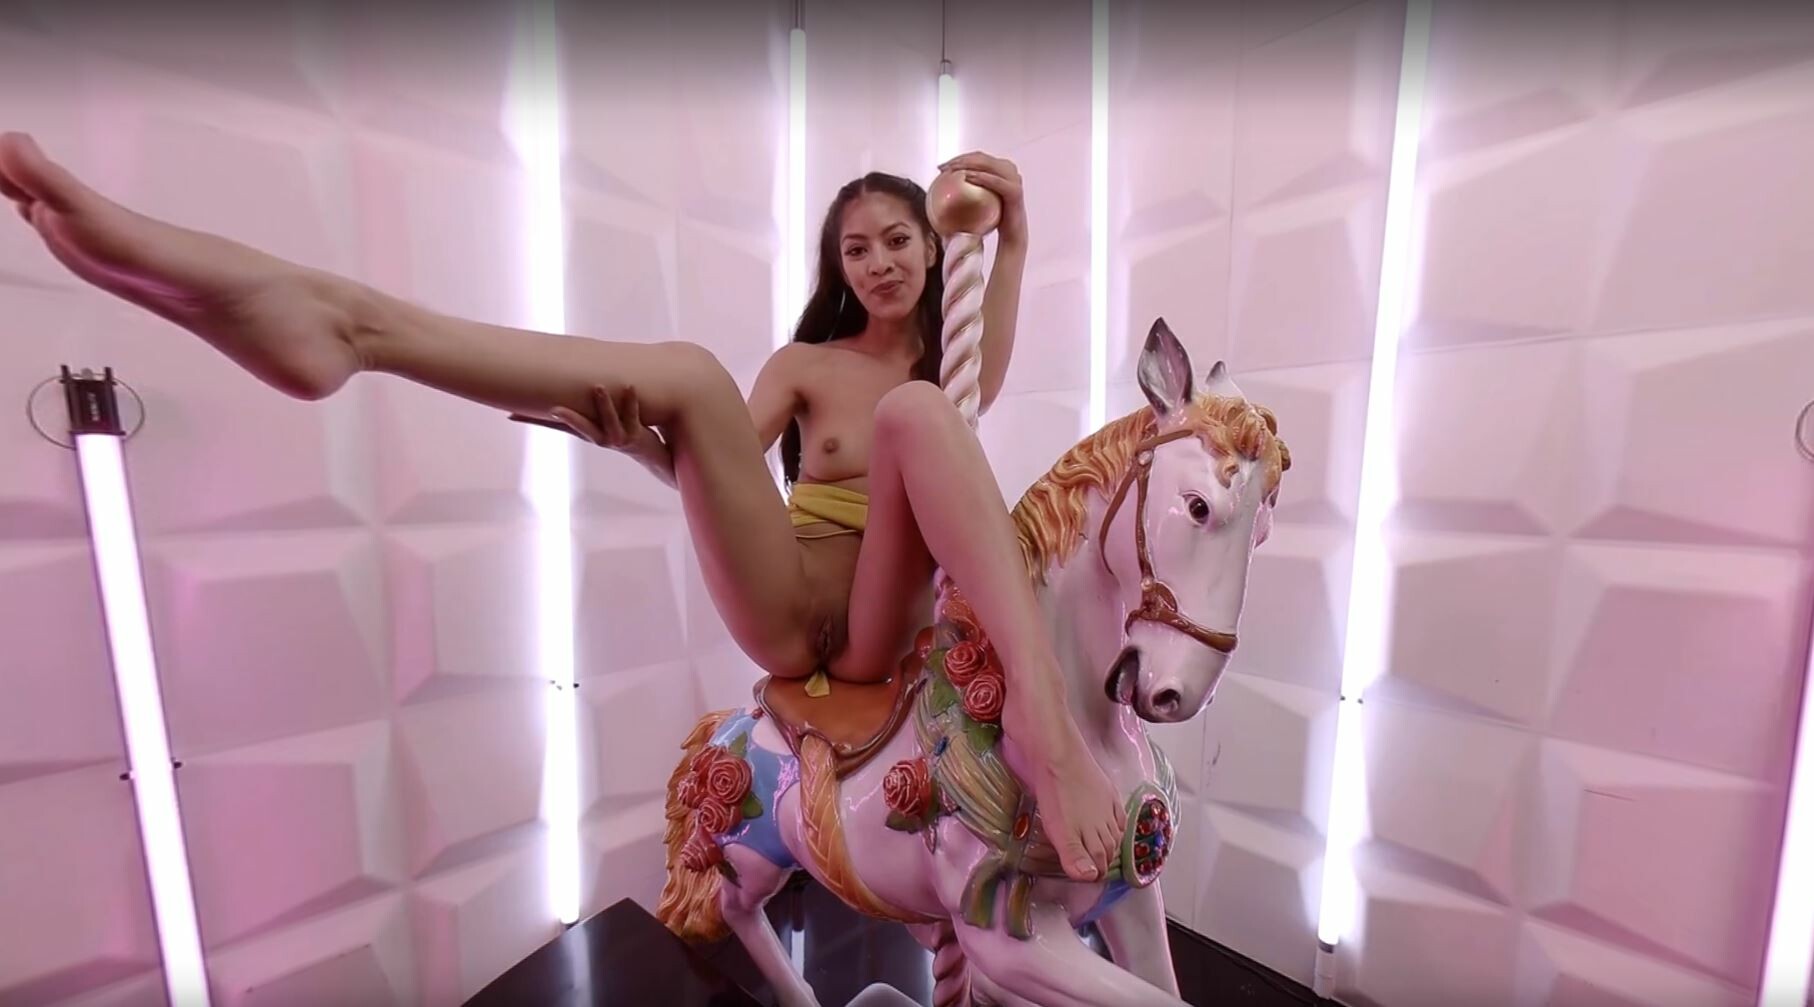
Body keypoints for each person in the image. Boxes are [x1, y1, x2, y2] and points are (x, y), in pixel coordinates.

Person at [0, 131, 1125, 880]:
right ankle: (352, 328)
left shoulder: (947, 372)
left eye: (897, 240)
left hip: (881, 623)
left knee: (920, 415)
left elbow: (982, 338)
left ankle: (1044, 723)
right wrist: (645, 448)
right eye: (855, 248)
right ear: (837, 267)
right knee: (688, 376)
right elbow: (722, 476)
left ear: (932, 248)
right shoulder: (803, 364)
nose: (878, 262)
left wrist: (1014, 233)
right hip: (786, 602)